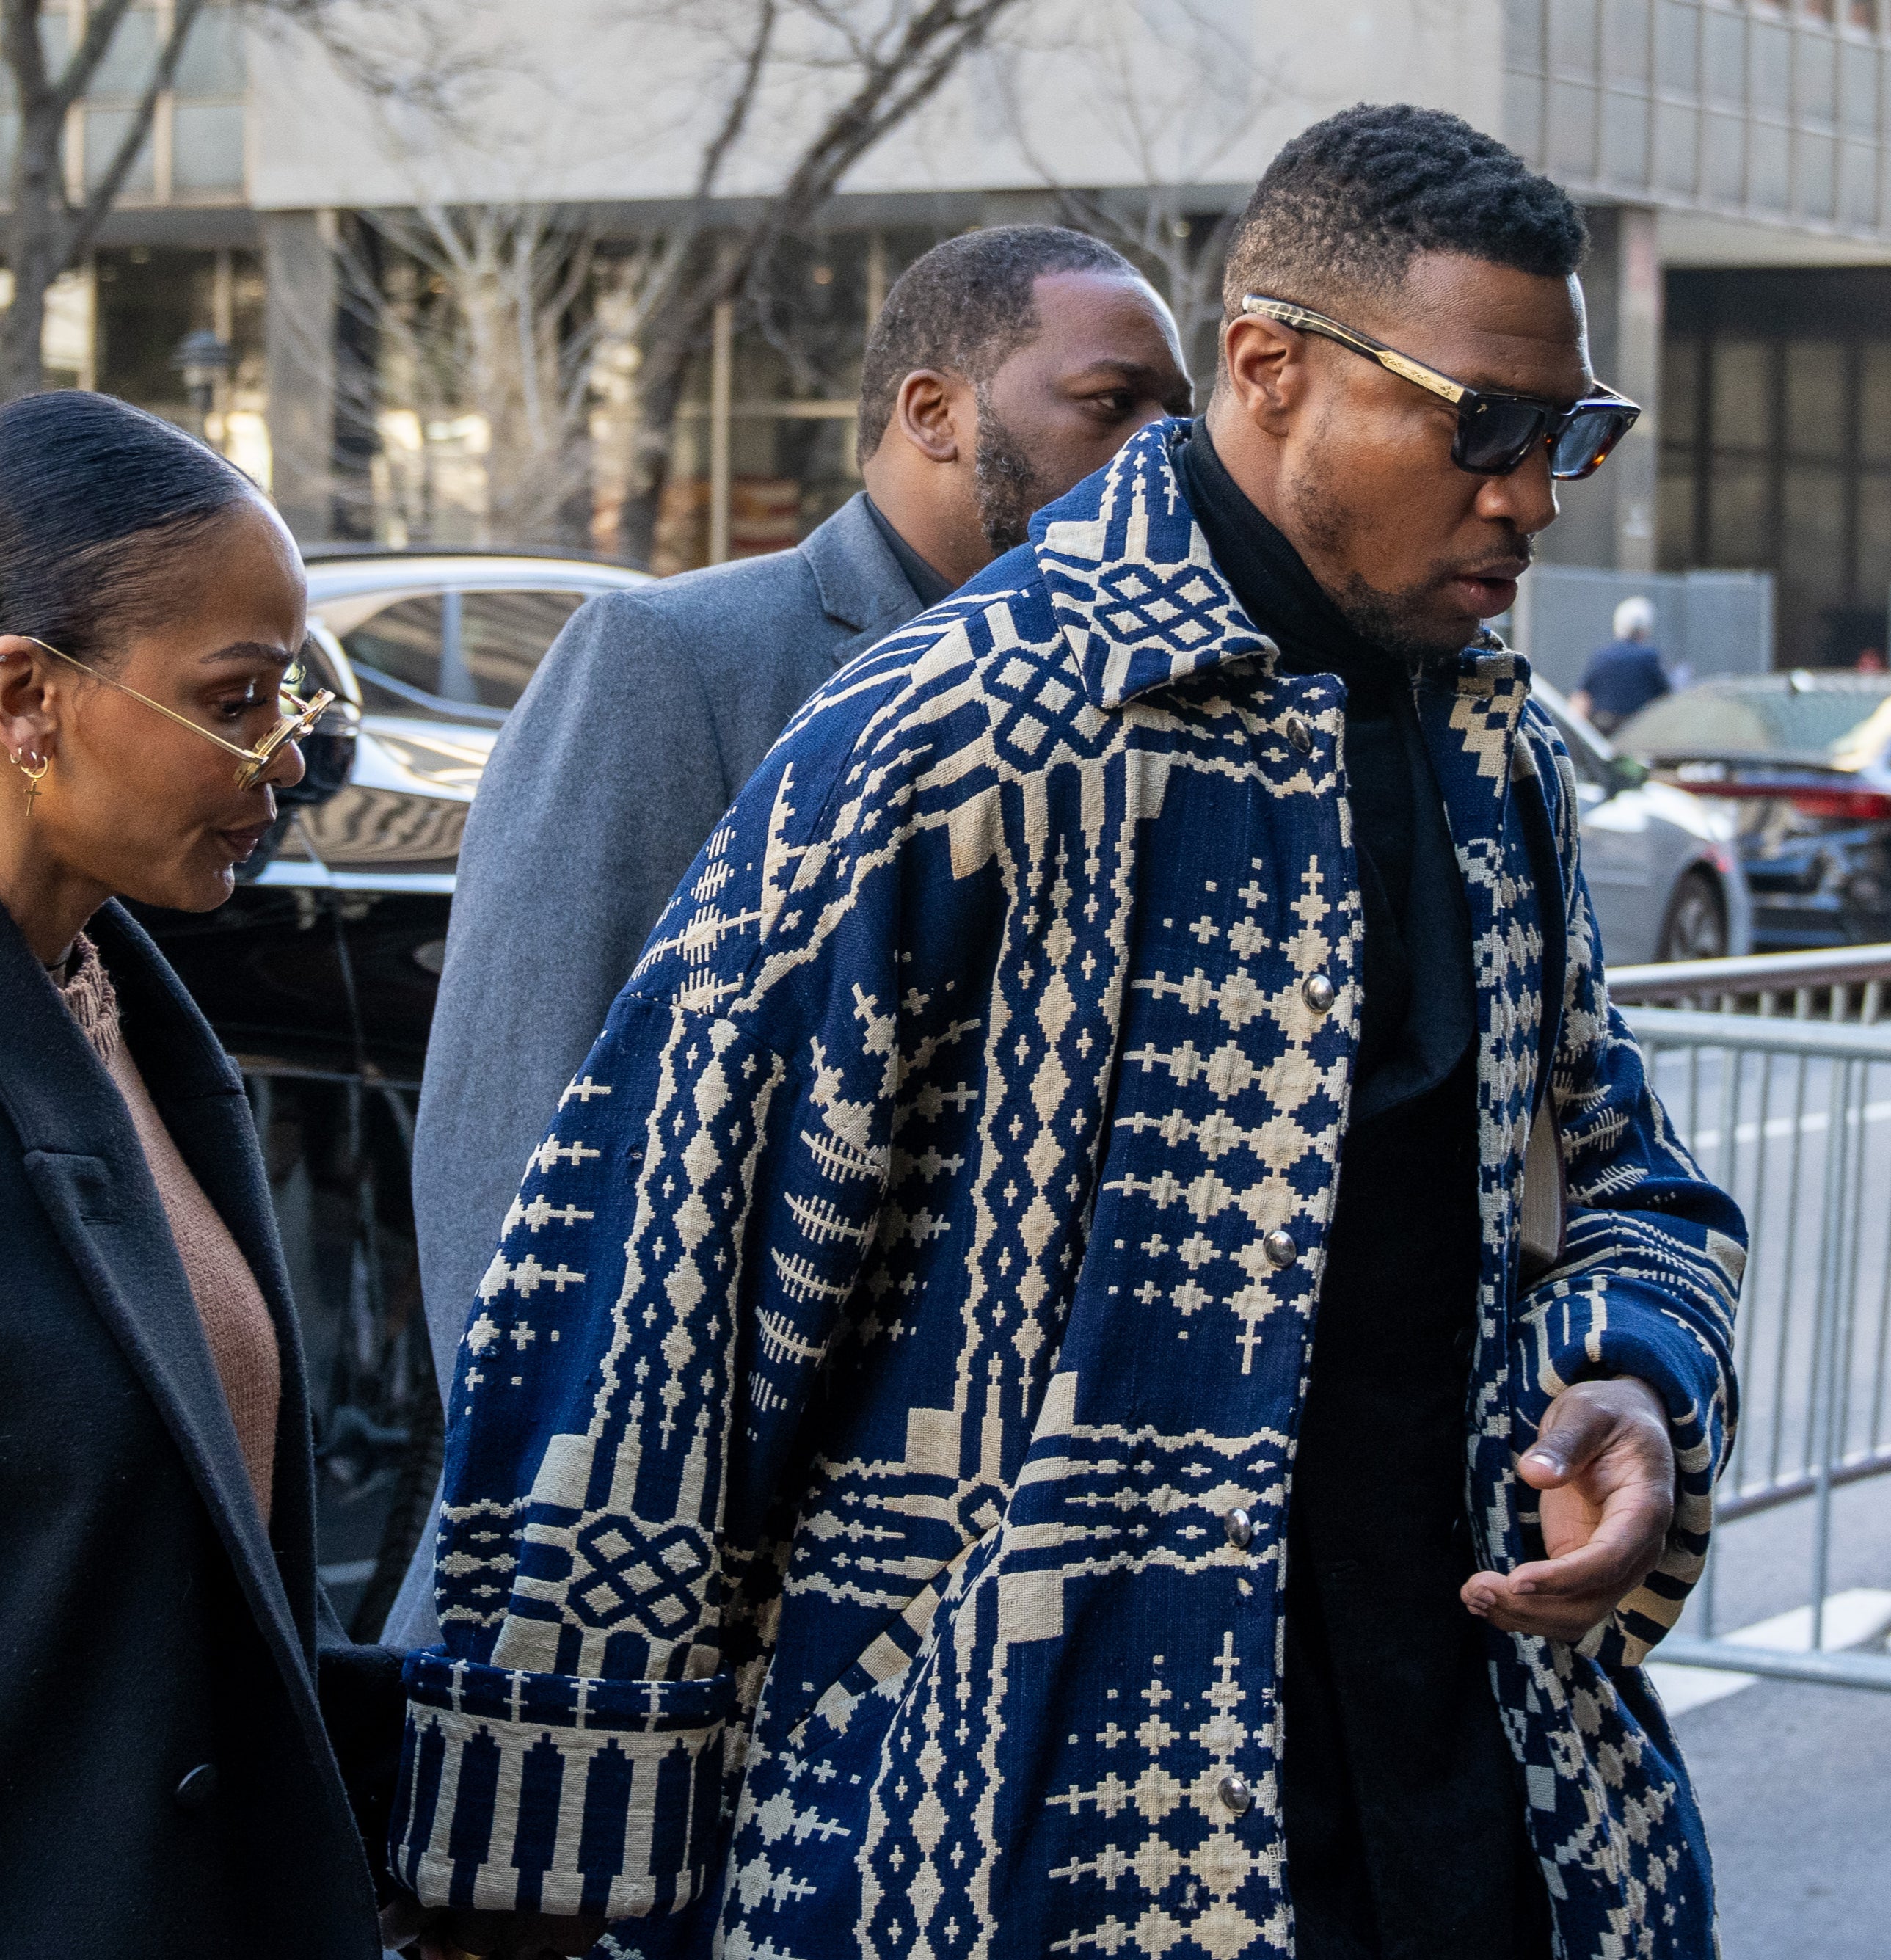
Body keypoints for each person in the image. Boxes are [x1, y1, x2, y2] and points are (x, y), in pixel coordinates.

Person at [385, 103, 1742, 1960]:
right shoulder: (969, 724)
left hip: (1481, 1785)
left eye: (1570, 433)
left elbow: (1623, 1172)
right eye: (1481, 423)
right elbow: (647, 1282)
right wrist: (541, 1823)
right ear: (1267, 369)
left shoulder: (1484, 735)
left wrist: (1635, 1379)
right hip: (1008, 1832)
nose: (1531, 491)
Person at [389, 225, 1192, 1645]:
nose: (1157, 455)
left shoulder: (1139, 717)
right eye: (1111, 402)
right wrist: (576, 1539)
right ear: (933, 414)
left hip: (995, 1607)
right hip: (672, 1579)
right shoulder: (672, 659)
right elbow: (514, 1134)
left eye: (1174, 419)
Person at [0, 390, 401, 1956]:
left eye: (289, 694)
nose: (286, 753)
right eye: (237, 699)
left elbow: (215, 1611)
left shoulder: (129, 1018)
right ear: (28, 696)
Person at [1573, 591, 1670, 732]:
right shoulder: (1649, 656)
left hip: (1601, 728)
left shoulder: (1602, 655)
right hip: (1635, 728)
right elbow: (1664, 695)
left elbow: (1582, 695)